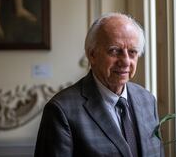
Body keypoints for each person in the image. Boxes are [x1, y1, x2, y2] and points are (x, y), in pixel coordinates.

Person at [34, 13, 164, 157]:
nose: (126, 61)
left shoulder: (147, 100)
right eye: (115, 51)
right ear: (92, 55)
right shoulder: (61, 110)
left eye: (132, 52)